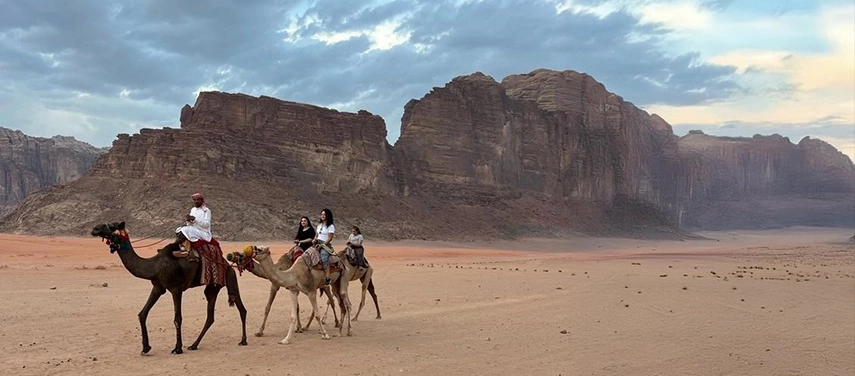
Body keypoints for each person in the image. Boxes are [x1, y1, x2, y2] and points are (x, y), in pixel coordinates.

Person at [173, 192, 212, 259]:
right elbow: (190, 223)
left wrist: (195, 220)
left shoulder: (206, 211)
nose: (196, 201)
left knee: (185, 230)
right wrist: (188, 220)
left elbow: (206, 225)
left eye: (198, 200)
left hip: (203, 232)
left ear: (201, 201)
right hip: (194, 230)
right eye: (194, 200)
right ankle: (181, 247)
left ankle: (182, 250)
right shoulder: (193, 209)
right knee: (179, 229)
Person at [312, 208, 335, 285]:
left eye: (324, 214)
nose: (322, 216)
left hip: (325, 244)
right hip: (317, 243)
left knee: (324, 257)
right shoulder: (319, 225)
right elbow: (317, 235)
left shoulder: (330, 226)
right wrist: (314, 240)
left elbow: (330, 238)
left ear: (328, 215)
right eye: (321, 214)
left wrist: (323, 245)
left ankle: (327, 277)